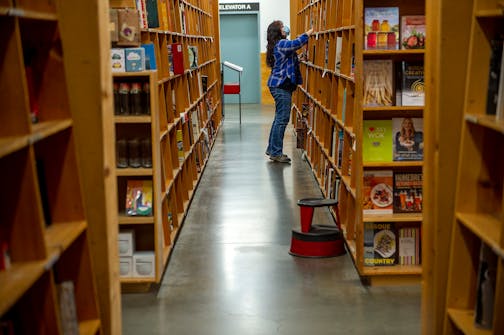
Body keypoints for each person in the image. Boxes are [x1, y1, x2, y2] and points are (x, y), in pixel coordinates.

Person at [265, 20, 313, 163]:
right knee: (282, 119)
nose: (285, 27)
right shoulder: (281, 44)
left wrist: (299, 58)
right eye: (282, 26)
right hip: (280, 86)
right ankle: (276, 152)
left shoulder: (278, 45)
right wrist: (311, 31)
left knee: (279, 118)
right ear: (278, 31)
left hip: (279, 85)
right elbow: (296, 43)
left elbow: (286, 61)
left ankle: (272, 150)